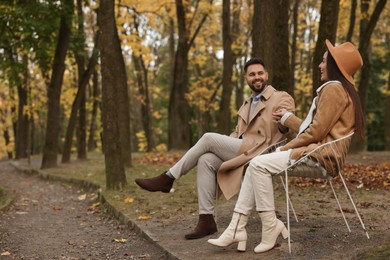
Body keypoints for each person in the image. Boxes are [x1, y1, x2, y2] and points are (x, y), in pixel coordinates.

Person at [207, 39, 365, 253]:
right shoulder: (340, 90)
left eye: (324, 61)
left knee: (258, 165)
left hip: (319, 157)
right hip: (319, 152)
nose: (320, 65)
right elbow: (316, 128)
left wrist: (284, 148)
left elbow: (316, 132)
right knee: (256, 164)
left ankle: (261, 227)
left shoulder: (333, 90)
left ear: (335, 66)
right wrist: (289, 119)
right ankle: (239, 228)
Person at [135, 58, 295, 239]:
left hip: (264, 150)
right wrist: (226, 142)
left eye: (259, 73)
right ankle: (206, 220)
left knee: (208, 138)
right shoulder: (247, 104)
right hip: (244, 148)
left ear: (266, 75)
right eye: (252, 74)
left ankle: (168, 177)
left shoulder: (281, 97)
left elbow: (285, 127)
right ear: (246, 79)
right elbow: (238, 134)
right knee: (206, 160)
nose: (256, 77)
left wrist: (282, 123)